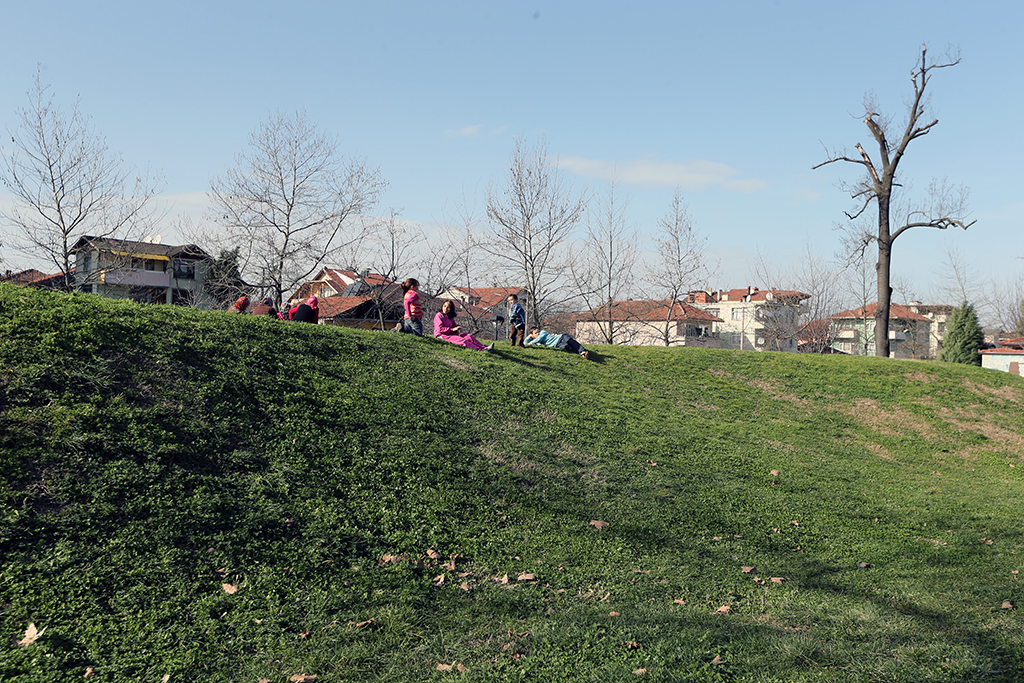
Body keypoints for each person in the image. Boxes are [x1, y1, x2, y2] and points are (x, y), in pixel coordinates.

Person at [525, 327, 590, 360]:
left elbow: (539, 338)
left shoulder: (543, 332)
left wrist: (530, 343)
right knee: (568, 347)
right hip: (558, 344)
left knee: (571, 341)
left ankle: (583, 351)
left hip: (561, 337)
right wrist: (529, 336)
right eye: (535, 333)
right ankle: (582, 354)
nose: (538, 333)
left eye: (538, 331)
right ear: (532, 335)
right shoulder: (538, 343)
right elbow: (525, 343)